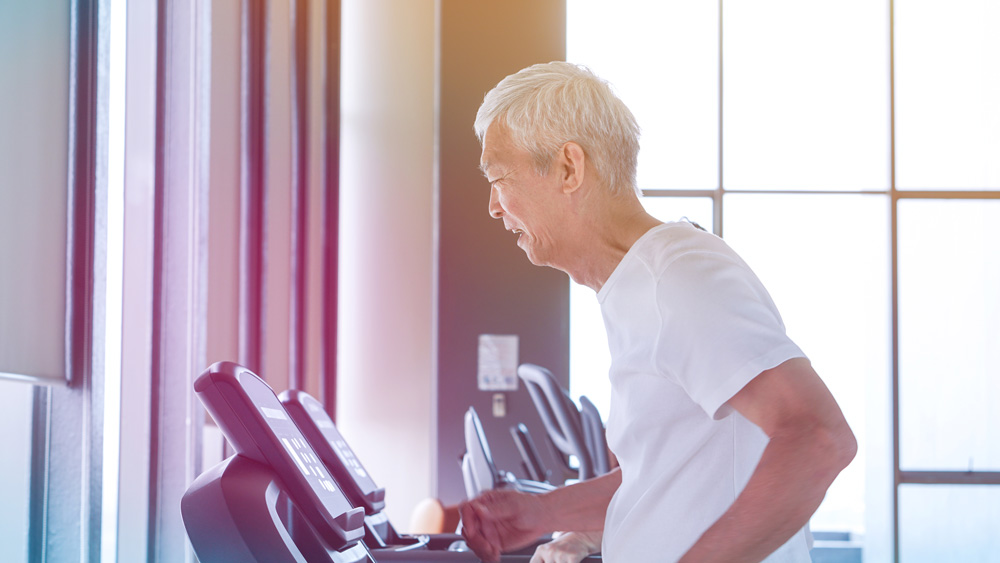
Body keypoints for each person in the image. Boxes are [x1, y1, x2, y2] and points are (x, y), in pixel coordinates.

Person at [458, 61, 857, 563]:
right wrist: (542, 513)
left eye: (499, 178)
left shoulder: (680, 277)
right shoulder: (636, 285)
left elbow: (819, 438)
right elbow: (669, 481)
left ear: (567, 168)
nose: (494, 207)